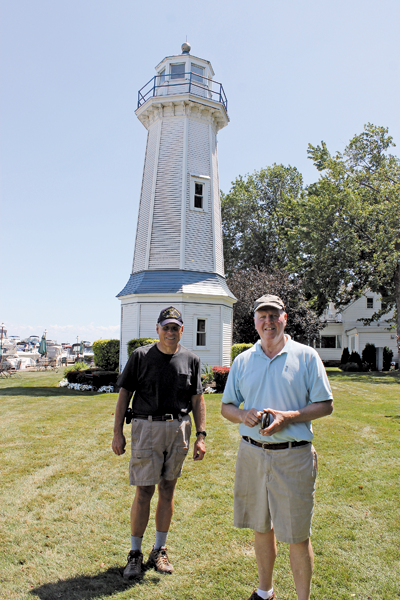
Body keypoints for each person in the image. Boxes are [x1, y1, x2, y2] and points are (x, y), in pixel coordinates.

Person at [221, 294, 333, 600]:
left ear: (285, 318)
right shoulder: (244, 360)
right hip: (252, 454)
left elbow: (326, 405)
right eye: (262, 316)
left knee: (296, 535)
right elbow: (226, 406)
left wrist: (290, 417)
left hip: (293, 456)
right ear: (255, 321)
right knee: (261, 527)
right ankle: (265, 591)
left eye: (274, 316)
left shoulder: (306, 356)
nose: (268, 322)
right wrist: (243, 414)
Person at [112, 306, 206, 579]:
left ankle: (159, 550)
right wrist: (117, 433)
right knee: (144, 491)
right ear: (157, 329)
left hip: (178, 429)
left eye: (175, 327)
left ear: (181, 330)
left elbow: (197, 399)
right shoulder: (141, 357)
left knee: (167, 489)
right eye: (165, 327)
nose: (170, 332)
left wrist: (201, 436)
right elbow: (124, 395)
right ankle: (134, 553)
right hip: (146, 428)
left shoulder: (191, 359)